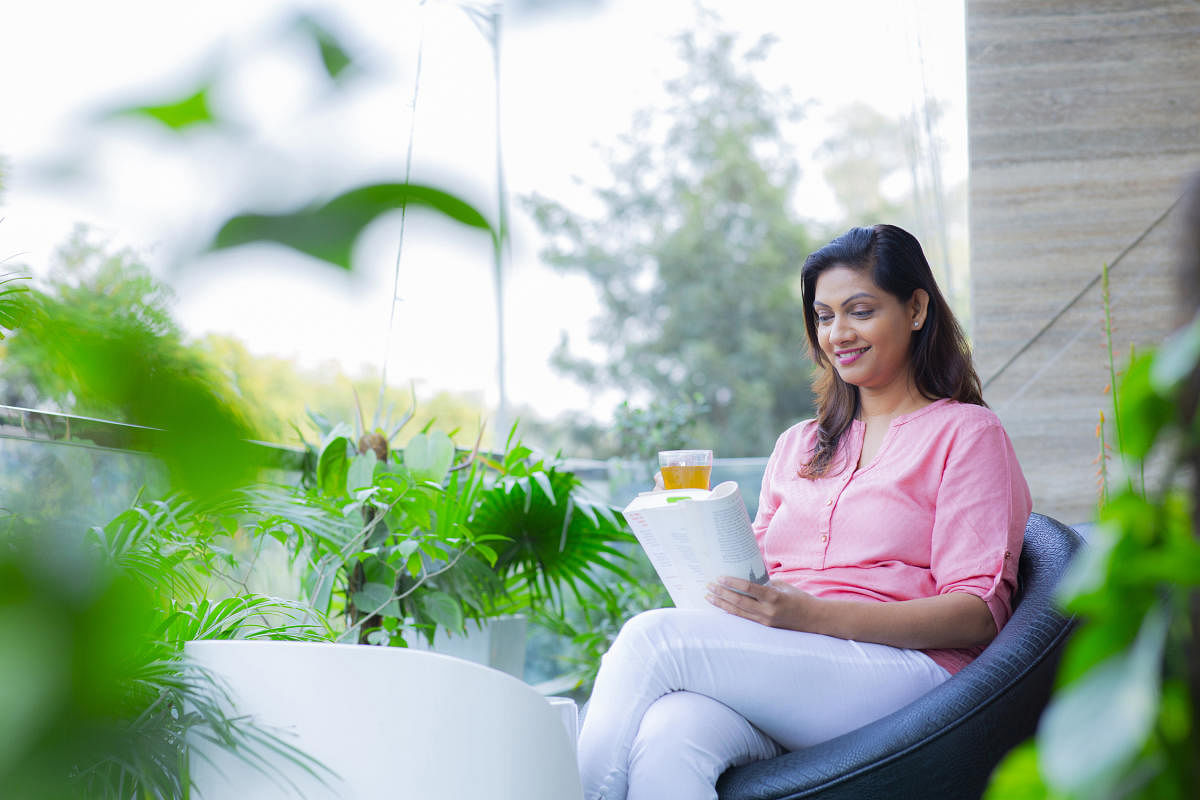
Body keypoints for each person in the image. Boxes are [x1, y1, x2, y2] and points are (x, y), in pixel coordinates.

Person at [577, 224, 1032, 800]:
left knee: (653, 642)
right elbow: (765, 577)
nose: (838, 333)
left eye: (860, 311)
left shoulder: (967, 434)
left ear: (916, 309)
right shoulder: (800, 444)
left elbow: (977, 613)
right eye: (823, 316)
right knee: (672, 733)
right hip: (795, 666)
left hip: (906, 675)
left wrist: (810, 615)